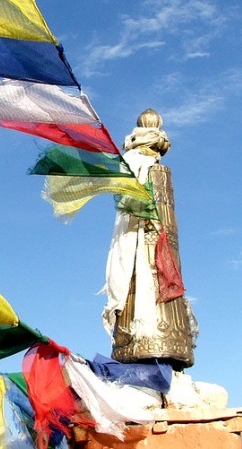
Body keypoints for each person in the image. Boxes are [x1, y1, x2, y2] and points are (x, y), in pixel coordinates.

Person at [103, 109, 197, 370]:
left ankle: (159, 336)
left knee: (158, 268)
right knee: (141, 269)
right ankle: (138, 337)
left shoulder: (154, 171)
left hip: (159, 244)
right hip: (139, 245)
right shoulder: (142, 171)